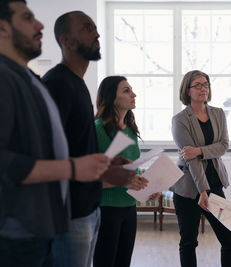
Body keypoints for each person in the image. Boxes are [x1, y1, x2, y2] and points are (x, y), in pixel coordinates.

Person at [0, 1, 110, 266]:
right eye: (27, 18)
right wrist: (72, 168)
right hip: (19, 230)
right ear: (3, 29)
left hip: (45, 224)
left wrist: (98, 168)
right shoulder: (9, 79)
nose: (39, 25)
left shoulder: (30, 79)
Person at [42, 11, 139, 267]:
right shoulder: (58, 84)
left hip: (87, 209)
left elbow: (75, 150)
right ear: (66, 40)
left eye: (96, 28)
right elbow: (46, 155)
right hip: (69, 214)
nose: (96, 33)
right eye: (87, 28)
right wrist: (106, 175)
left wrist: (107, 167)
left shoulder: (76, 84)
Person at [170, 70, 231, 267]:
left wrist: (199, 150)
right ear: (187, 90)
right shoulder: (180, 120)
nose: (203, 88)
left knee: (230, 238)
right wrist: (202, 191)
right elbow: (190, 160)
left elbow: (223, 145)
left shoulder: (218, 113)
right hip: (188, 190)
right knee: (189, 242)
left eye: (206, 84)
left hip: (215, 186)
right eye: (198, 85)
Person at [93, 76, 159, 267]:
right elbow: (91, 175)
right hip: (106, 208)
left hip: (129, 207)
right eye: (126, 91)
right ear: (111, 97)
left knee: (123, 262)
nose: (133, 94)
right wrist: (123, 180)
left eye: (132, 90)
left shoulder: (130, 130)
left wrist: (147, 189)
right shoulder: (97, 130)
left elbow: (132, 169)